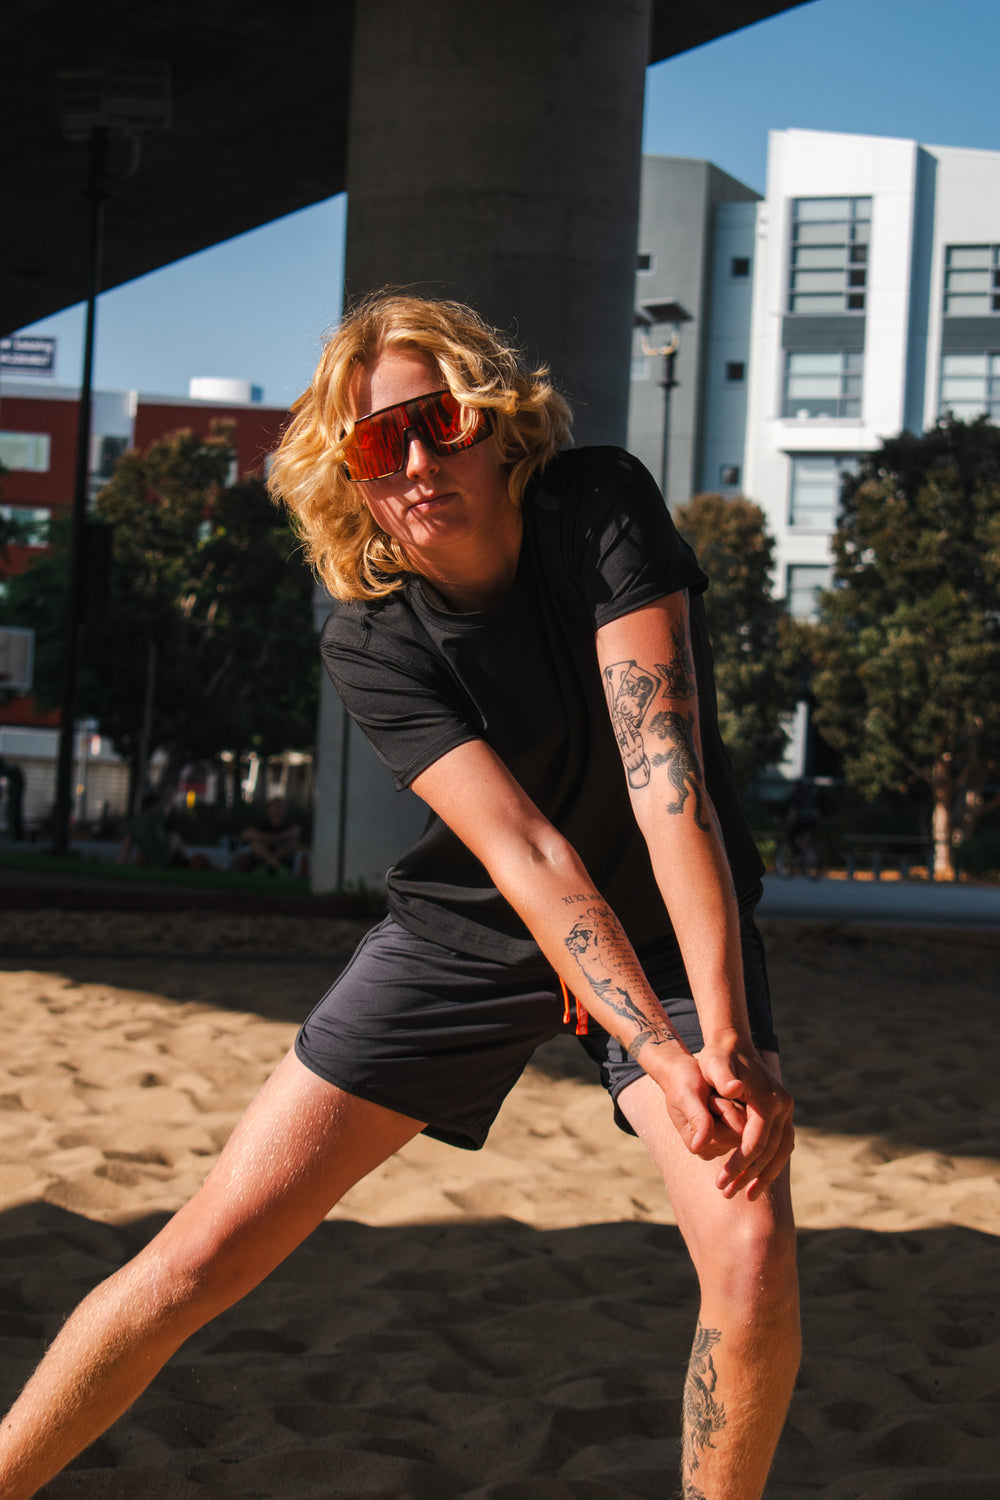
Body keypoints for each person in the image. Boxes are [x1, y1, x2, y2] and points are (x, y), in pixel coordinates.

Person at [0, 294, 798, 1500]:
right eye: (379, 442)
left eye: (439, 422)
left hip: (670, 934)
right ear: (352, 475)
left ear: (497, 424)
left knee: (750, 1257)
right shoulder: (370, 639)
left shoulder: (597, 506)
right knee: (201, 1255)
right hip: (469, 936)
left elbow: (665, 774)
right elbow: (525, 853)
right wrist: (647, 1045)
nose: (416, 460)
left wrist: (722, 1043)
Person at [116, 790, 189, 869]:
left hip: (150, 861)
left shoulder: (133, 823)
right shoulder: (156, 817)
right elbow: (168, 807)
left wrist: (119, 863)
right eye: (157, 805)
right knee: (175, 837)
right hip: (167, 861)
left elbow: (126, 848)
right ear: (152, 806)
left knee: (173, 837)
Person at [236, 795, 302, 875]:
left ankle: (271, 865)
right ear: (269, 809)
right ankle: (275, 865)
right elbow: (246, 835)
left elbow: (296, 831)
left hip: (282, 855)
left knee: (292, 843)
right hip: (265, 854)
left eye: (279, 807)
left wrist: (274, 838)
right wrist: (265, 837)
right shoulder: (263, 824)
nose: (277, 810)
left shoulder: (289, 824)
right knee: (255, 845)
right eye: (274, 807)